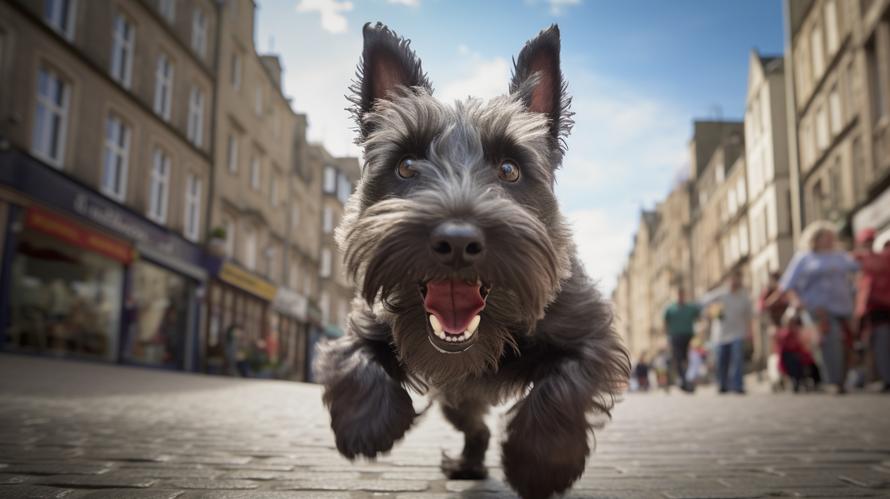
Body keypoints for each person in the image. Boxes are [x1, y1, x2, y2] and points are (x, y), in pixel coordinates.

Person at [768, 222, 859, 394]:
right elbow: (787, 285)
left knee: (848, 342)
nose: (830, 240)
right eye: (826, 237)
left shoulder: (840, 256)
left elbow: (860, 269)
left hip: (844, 306)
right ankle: (834, 381)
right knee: (830, 340)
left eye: (832, 237)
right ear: (815, 239)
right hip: (818, 307)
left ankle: (842, 378)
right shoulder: (804, 257)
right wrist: (796, 301)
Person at [701, 270, 753, 394]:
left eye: (737, 279)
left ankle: (737, 385)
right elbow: (704, 301)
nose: (735, 282)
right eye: (733, 279)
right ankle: (722, 384)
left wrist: (749, 332)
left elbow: (749, 315)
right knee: (721, 361)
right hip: (721, 334)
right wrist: (711, 311)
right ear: (728, 281)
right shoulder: (721, 294)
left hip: (738, 333)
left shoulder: (744, 297)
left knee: (737, 360)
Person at [853, 228, 890, 392]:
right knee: (873, 344)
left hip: (880, 307)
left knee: (880, 343)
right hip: (872, 308)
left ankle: (885, 377)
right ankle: (880, 377)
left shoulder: (875, 259)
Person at [663, 288, 701, 392]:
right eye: (679, 295)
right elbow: (665, 322)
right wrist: (667, 336)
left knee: (688, 358)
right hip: (675, 336)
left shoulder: (690, 308)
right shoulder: (670, 309)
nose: (680, 297)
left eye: (682, 295)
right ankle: (683, 380)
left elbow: (699, 316)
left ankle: (687, 380)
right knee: (678, 358)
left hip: (688, 336)